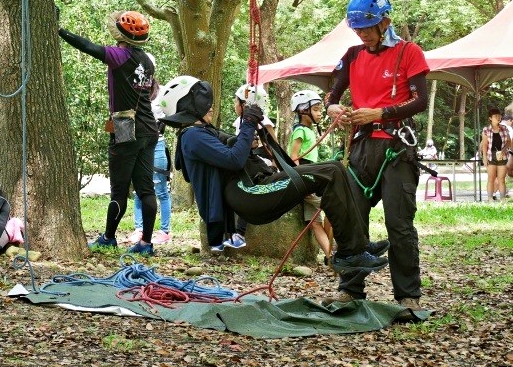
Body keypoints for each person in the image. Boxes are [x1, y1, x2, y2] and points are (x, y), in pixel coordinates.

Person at [155, 76, 388, 280]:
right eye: (205, 104)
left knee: (335, 169)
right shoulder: (193, 136)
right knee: (332, 171)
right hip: (249, 193)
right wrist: (247, 123)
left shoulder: (203, 133)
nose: (210, 109)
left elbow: (235, 148)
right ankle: (351, 252)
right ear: (190, 106)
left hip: (253, 188)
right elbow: (234, 160)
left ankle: (356, 247)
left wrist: (253, 126)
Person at [325, 0, 429, 310]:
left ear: (385, 22)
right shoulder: (353, 55)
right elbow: (333, 95)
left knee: (398, 223)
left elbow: (420, 101)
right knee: (352, 219)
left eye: (367, 28)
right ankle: (351, 289)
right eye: (357, 29)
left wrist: (380, 113)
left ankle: (408, 295)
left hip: (397, 147)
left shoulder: (409, 52)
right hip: (361, 148)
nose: (362, 35)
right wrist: (333, 109)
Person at [59, 10, 158, 256]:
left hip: (126, 128)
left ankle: (108, 238)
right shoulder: (146, 60)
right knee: (146, 189)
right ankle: (146, 243)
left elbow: (88, 47)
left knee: (119, 189)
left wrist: (60, 31)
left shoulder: (119, 55)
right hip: (150, 128)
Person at [223, 84, 277, 252]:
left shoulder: (263, 123)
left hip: (260, 163)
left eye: (236, 101)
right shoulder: (240, 122)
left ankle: (240, 233)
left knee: (248, 187)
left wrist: (274, 162)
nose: (234, 104)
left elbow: (273, 145)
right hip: (246, 161)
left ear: (244, 104)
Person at [129, 58, 172, 246]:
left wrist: (158, 127)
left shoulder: (162, 93)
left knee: (161, 190)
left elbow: (171, 115)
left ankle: (164, 231)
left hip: (157, 144)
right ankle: (139, 229)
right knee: (139, 189)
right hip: (137, 143)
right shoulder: (131, 90)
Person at [289, 89, 333, 263]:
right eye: (315, 109)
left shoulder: (309, 131)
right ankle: (335, 252)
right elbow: (294, 157)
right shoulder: (300, 131)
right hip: (306, 179)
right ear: (302, 110)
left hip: (310, 178)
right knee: (325, 212)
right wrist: (302, 183)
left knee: (316, 221)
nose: (319, 113)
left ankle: (331, 254)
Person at [480, 107, 511, 201]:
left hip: (502, 156)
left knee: (501, 179)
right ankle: (490, 198)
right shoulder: (486, 130)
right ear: (490, 118)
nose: (498, 117)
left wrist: (504, 150)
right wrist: (484, 158)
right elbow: (484, 145)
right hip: (490, 156)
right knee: (491, 179)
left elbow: (509, 142)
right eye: (495, 116)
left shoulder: (504, 128)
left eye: (499, 115)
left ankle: (502, 199)